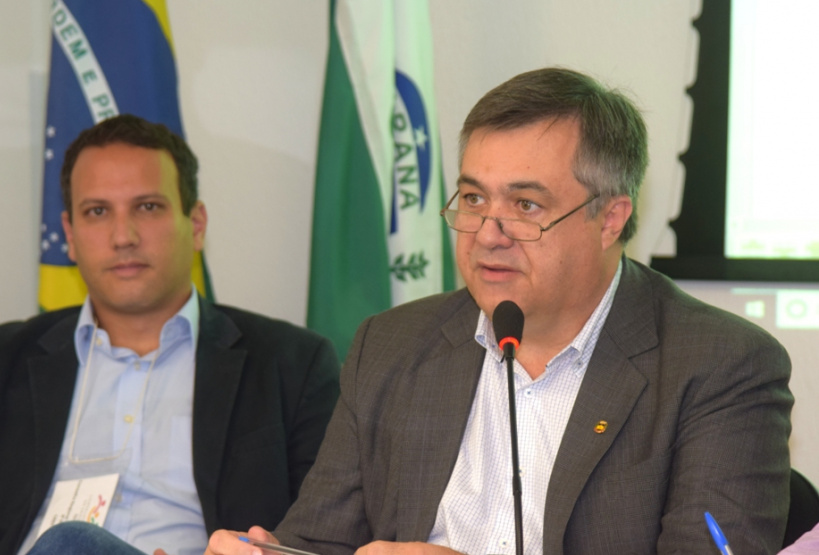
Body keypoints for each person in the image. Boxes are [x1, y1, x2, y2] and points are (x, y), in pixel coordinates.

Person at [206, 68, 794, 555]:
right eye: (472, 199)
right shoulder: (391, 344)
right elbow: (322, 540)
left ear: (610, 218)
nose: (488, 233)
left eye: (526, 204)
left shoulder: (720, 365)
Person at [0, 114, 341, 555]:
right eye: (97, 212)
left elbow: (329, 535)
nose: (122, 236)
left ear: (197, 223)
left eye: (147, 207)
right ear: (70, 236)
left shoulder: (291, 365)